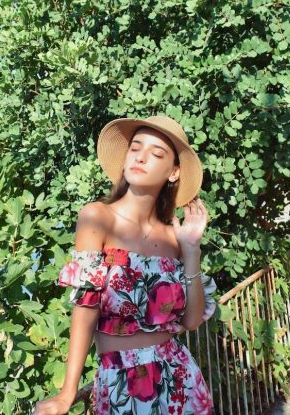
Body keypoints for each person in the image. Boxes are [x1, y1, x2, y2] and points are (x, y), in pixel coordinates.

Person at [33, 115, 217, 415]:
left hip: (180, 377)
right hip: (121, 381)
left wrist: (191, 248)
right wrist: (68, 392)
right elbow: (86, 307)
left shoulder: (175, 236)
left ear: (173, 172)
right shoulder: (97, 217)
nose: (141, 157)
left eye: (157, 154)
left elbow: (191, 321)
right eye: (135, 148)